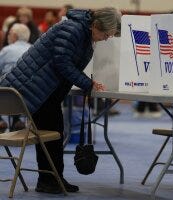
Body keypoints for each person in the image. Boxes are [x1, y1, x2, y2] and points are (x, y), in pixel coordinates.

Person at [0, 7, 121, 194]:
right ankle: (49, 180)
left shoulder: (80, 30)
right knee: (52, 135)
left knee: (54, 134)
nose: (106, 39)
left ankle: (53, 178)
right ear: (96, 25)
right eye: (105, 34)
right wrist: (86, 83)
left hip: (42, 89)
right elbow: (61, 62)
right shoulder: (73, 29)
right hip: (34, 89)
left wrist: (86, 82)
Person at [0, 23, 31, 131]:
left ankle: (0, 121)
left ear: (14, 35)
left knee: (9, 83)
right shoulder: (34, 49)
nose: (8, 36)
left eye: (9, 34)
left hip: (7, 96)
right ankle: (16, 121)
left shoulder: (6, 50)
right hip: (30, 99)